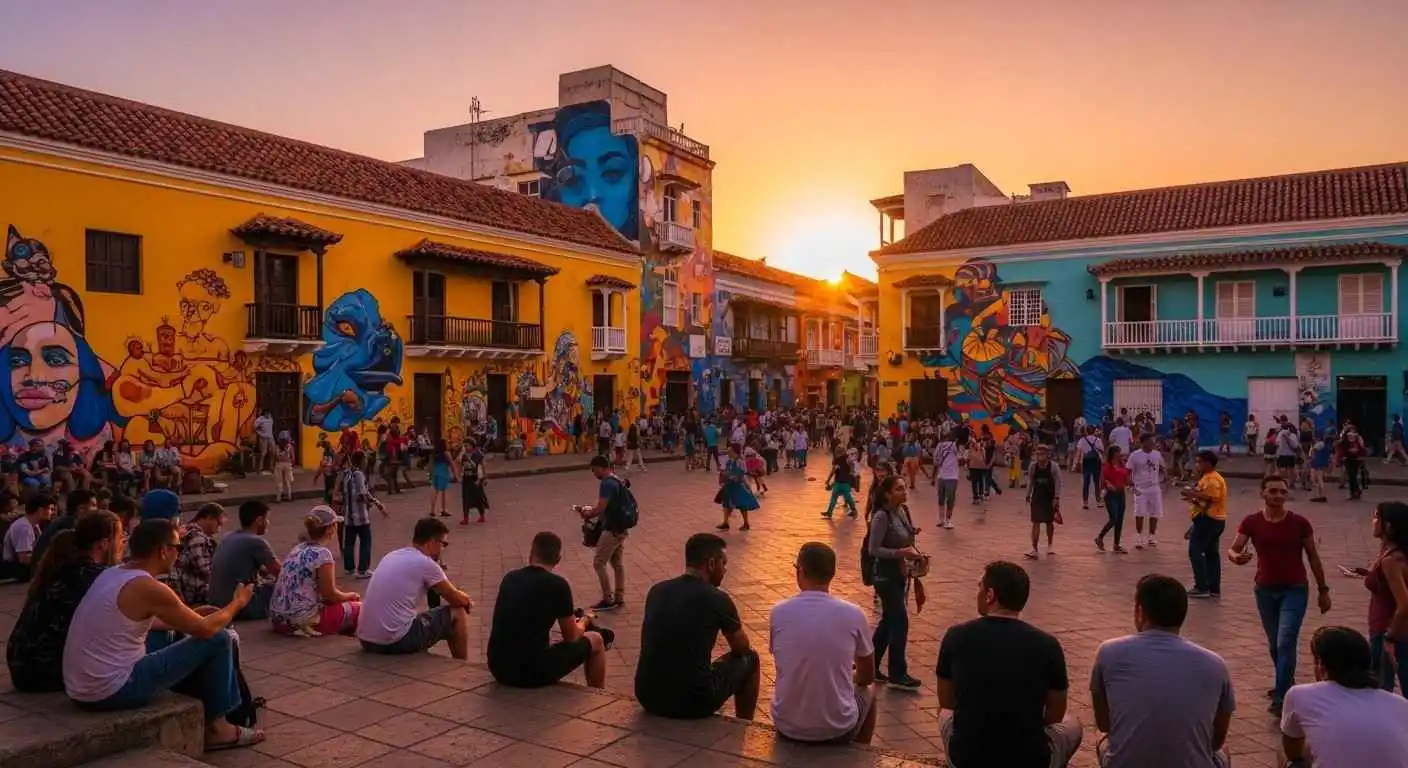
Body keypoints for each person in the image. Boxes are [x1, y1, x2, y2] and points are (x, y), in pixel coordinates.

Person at [63, 518, 262, 750]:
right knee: (219, 639)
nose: (179, 554)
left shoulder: (114, 573)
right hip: (111, 690)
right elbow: (207, 630)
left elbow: (142, 620)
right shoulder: (148, 587)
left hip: (82, 687)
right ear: (163, 550)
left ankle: (212, 706)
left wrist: (191, 617)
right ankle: (219, 728)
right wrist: (237, 603)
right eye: (177, 548)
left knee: (166, 634)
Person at [938, 561, 1082, 767]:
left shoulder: (956, 636)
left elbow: (947, 701)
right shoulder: (1047, 644)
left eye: (980, 587)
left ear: (990, 595)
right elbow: (1055, 714)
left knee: (945, 715)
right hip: (1029, 758)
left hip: (968, 757)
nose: (977, 593)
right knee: (1072, 724)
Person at [1090, 574, 1234, 767]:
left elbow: (1104, 723)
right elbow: (1217, 740)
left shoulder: (1109, 652)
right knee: (1222, 752)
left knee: (1102, 737)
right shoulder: (1215, 664)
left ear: (1139, 612)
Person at [1227, 475, 1332, 714]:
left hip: (1294, 588)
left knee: (1286, 640)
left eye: (1282, 492)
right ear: (1263, 494)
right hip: (1265, 589)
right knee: (1275, 644)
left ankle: (1282, 695)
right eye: (1273, 491)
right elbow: (1234, 548)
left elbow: (1313, 556)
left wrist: (1323, 590)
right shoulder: (1252, 522)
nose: (1278, 496)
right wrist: (1236, 557)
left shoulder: (1299, 523)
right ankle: (1286, 680)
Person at [635, 533, 760, 720]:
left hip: (648, 695)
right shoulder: (717, 598)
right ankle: (744, 723)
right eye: (723, 564)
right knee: (751, 658)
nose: (725, 570)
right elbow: (742, 647)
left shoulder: (657, 590)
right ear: (711, 564)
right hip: (693, 702)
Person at [770, 542, 879, 745]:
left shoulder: (778, 612)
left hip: (787, 726)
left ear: (800, 571)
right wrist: (849, 675)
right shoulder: (854, 614)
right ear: (832, 574)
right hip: (837, 729)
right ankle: (860, 753)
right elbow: (866, 676)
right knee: (870, 691)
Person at [6, 510, 122, 691]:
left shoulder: (66, 564)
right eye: (120, 538)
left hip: (22, 666)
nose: (122, 544)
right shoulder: (90, 575)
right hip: (43, 672)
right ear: (104, 544)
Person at [487, 531, 610, 687]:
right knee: (596, 639)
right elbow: (571, 636)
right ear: (557, 560)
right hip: (531, 673)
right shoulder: (558, 585)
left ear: (531, 554)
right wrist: (584, 621)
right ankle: (599, 693)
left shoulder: (510, 578)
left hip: (499, 668)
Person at [1280, 626, 1408, 767]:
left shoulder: (1300, 694)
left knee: (1285, 754)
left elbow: (1294, 752)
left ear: (1322, 665)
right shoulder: (1401, 704)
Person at [358, 517, 473, 659]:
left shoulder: (392, 555)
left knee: (418, 616)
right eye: (444, 544)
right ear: (432, 542)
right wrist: (466, 600)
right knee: (457, 613)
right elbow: (456, 599)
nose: (442, 550)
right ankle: (462, 665)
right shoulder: (425, 563)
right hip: (393, 642)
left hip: (366, 640)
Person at [269, 505, 362, 637]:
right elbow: (329, 594)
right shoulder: (322, 554)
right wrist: (351, 596)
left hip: (278, 619)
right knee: (358, 608)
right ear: (330, 528)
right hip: (300, 621)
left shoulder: (297, 549)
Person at [867, 475, 923, 689]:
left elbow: (905, 535)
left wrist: (912, 533)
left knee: (889, 619)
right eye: (899, 488)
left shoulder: (902, 511)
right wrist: (900, 551)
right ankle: (897, 673)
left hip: (900, 572)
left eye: (905, 487)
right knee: (900, 621)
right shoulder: (881, 516)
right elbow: (874, 549)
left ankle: (870, 664)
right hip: (885, 574)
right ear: (888, 493)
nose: (904, 491)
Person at [578, 455, 634, 611]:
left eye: (594, 470)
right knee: (617, 563)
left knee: (599, 562)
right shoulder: (616, 479)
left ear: (601, 468)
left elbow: (601, 507)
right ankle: (619, 597)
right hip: (621, 527)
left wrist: (588, 514)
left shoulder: (607, 483)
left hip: (612, 529)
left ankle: (608, 599)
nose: (594, 473)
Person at [208, 501, 281, 621]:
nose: (268, 523)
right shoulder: (256, 542)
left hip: (217, 603)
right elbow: (281, 573)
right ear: (258, 520)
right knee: (289, 586)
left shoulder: (228, 537)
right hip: (241, 605)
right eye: (266, 519)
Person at [1366, 501, 1408, 693]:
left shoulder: (1391, 559)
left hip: (1388, 631)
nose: (1373, 521)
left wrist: (1389, 638)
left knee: (1381, 692)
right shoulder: (1391, 554)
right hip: (1394, 632)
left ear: (1388, 526)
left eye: (1376, 517)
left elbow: (1404, 604)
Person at [1181, 450, 1229, 599]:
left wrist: (1193, 494)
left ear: (1207, 463)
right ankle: (1214, 588)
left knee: (1195, 551)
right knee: (1211, 554)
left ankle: (1202, 586)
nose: (1197, 465)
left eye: (1199, 462)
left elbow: (1212, 497)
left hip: (1208, 519)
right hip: (1213, 519)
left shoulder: (1212, 480)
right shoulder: (1208, 478)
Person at [167, 503, 226, 607]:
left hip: (180, 584)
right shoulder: (198, 538)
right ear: (209, 518)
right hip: (191, 589)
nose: (219, 529)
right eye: (218, 524)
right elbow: (205, 570)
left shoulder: (186, 529)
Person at [339, 452, 387, 578]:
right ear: (361, 461)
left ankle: (349, 567)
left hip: (349, 515)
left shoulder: (347, 473)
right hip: (360, 515)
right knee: (366, 541)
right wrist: (371, 503)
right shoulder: (359, 474)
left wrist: (376, 503)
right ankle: (363, 569)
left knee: (349, 542)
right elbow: (362, 493)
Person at [1, 493, 57, 582]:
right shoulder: (24, 527)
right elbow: (24, 558)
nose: (52, 513)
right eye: (50, 509)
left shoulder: (34, 525)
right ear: (40, 510)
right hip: (15, 569)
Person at [1127, 432, 1166, 549]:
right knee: (1139, 512)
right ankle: (1139, 537)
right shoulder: (1135, 455)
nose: (1152, 443)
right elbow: (1128, 471)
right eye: (1150, 441)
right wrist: (1131, 485)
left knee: (1155, 512)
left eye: (1153, 441)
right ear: (1143, 442)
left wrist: (1163, 478)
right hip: (1140, 488)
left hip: (1154, 487)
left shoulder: (1157, 454)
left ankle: (1152, 536)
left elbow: (1163, 467)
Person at [1024, 444, 1062, 560]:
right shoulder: (1033, 466)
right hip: (1037, 497)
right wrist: (1028, 494)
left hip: (1049, 498)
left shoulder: (1053, 467)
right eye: (1037, 453)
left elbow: (1058, 482)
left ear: (1047, 455)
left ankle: (1050, 544)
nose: (1039, 456)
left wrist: (1056, 497)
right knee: (1035, 522)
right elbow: (1030, 481)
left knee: (1049, 523)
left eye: (1042, 453)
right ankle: (1034, 548)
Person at [716, 443, 759, 531]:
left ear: (734, 451)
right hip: (729, 485)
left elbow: (741, 474)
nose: (728, 452)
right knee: (726, 504)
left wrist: (728, 475)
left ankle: (746, 523)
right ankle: (725, 522)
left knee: (742, 505)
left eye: (730, 450)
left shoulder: (740, 461)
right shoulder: (729, 461)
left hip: (737, 486)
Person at [1096, 444, 1129, 553]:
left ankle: (1116, 544)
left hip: (1120, 493)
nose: (1120, 454)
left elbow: (1126, 478)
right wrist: (1108, 485)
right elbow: (1103, 479)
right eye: (1118, 452)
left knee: (1120, 519)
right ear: (1113, 454)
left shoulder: (1122, 465)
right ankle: (1100, 537)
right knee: (1113, 518)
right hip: (1111, 494)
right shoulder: (1107, 466)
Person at [456, 438, 489, 525]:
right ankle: (465, 518)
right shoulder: (464, 454)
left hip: (476, 479)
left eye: (467, 445)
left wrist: (484, 478)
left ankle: (482, 516)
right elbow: (458, 463)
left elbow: (483, 466)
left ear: (472, 445)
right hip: (466, 478)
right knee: (465, 499)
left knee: (478, 498)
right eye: (464, 445)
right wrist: (459, 476)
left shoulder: (478, 454)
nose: (466, 447)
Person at [823, 445, 859, 519]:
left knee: (834, 498)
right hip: (846, 482)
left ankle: (829, 513)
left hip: (838, 482)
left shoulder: (836, 460)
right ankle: (854, 511)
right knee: (848, 497)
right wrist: (851, 472)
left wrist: (828, 480)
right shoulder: (848, 458)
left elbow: (832, 471)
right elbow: (853, 465)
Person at [934, 432, 959, 529]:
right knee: (948, 498)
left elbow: (935, 461)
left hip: (948, 476)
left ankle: (944, 519)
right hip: (947, 476)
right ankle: (945, 520)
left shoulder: (951, 446)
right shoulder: (952, 445)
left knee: (945, 498)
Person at [1076, 427, 1105, 511]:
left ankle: (1085, 502)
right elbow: (1102, 450)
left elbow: (1078, 452)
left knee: (1086, 482)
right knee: (1096, 482)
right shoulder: (1098, 440)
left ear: (1086, 431)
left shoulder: (1082, 440)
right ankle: (1098, 501)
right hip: (1096, 462)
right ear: (1094, 431)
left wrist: (1076, 463)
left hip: (1086, 462)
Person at [427, 438, 453, 518]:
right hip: (443, 471)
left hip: (435, 471)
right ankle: (443, 509)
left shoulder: (433, 453)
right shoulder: (446, 453)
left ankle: (432, 510)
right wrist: (455, 474)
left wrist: (429, 474)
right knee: (444, 492)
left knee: (434, 491)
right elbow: (451, 463)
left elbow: (430, 464)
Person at [272, 432, 295, 501]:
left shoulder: (277, 447)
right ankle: (289, 496)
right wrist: (292, 465)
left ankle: (278, 498)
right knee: (287, 481)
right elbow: (293, 458)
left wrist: (273, 465)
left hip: (279, 464)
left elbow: (274, 457)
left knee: (279, 481)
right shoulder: (290, 447)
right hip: (287, 464)